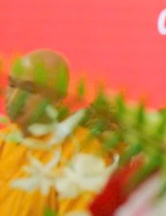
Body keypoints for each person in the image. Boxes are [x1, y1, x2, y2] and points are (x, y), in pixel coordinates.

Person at [1, 49, 115, 215]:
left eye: (30, 90)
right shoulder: (5, 138)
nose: (15, 99)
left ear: (58, 97)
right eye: (12, 85)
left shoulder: (82, 150)